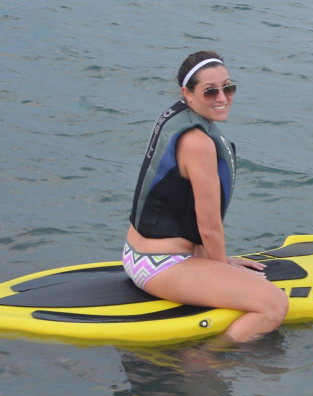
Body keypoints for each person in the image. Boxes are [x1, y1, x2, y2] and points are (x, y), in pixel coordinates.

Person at [123, 51, 288, 343]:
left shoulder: (176, 117)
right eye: (210, 91)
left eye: (229, 87)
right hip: (163, 265)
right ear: (187, 92)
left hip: (139, 254)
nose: (222, 97)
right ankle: (204, 362)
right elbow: (209, 229)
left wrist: (220, 260)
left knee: (240, 274)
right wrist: (220, 267)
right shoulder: (198, 144)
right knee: (274, 305)